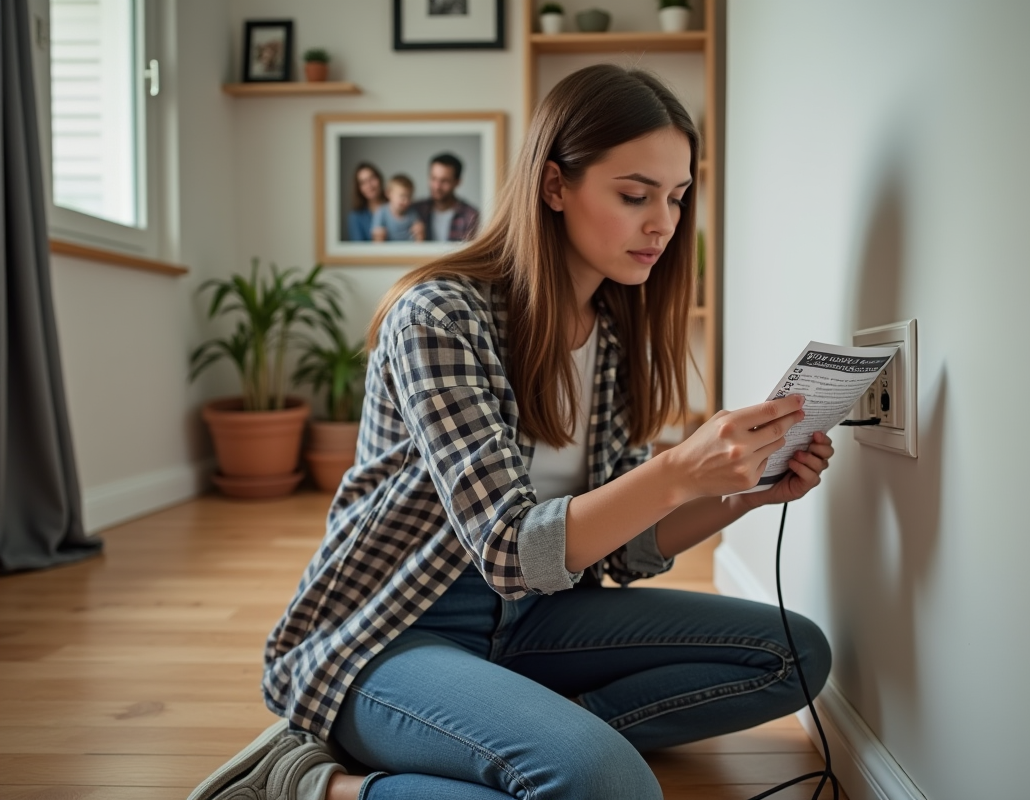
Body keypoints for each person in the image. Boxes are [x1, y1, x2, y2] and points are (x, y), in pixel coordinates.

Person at [188, 64, 834, 800]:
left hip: (535, 621)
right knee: (609, 786)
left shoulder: (613, 338)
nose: (663, 222)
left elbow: (616, 547)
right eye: (634, 194)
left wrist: (743, 495)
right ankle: (311, 786)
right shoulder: (437, 315)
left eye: (678, 197)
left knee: (793, 653)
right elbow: (508, 549)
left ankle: (511, 747)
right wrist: (678, 470)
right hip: (392, 631)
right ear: (555, 186)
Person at [411, 152, 480, 241]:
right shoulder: (415, 210)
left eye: (444, 181)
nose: (437, 186)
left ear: (457, 182)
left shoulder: (471, 216)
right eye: (433, 178)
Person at [371, 174, 426, 242]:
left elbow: (419, 240)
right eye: (402, 196)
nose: (406, 200)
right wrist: (378, 236)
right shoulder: (381, 212)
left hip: (409, 251)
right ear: (388, 193)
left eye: (409, 197)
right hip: (388, 251)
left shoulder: (412, 213)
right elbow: (376, 241)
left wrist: (420, 232)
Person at [346, 163, 387, 241]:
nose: (369, 185)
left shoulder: (397, 206)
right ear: (358, 188)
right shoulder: (355, 216)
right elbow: (357, 249)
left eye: (372, 178)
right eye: (363, 182)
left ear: (379, 179)